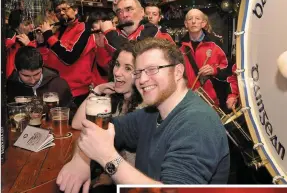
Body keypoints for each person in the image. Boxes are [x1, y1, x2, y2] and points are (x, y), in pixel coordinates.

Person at [57, 38, 230, 190]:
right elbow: (95, 132)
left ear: (177, 72)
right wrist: (81, 161)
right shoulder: (151, 112)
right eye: (138, 72)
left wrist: (108, 158)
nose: (142, 80)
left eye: (152, 69)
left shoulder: (197, 123)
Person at [72, 42, 143, 192]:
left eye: (128, 68)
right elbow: (78, 123)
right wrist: (97, 90)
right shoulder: (116, 100)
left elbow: (137, 164)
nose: (117, 73)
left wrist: (110, 177)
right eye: (117, 65)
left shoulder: (144, 110)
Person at [36, 0, 97, 107]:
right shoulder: (56, 31)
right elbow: (45, 62)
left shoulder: (84, 28)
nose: (61, 13)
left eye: (65, 9)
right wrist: (41, 43)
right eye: (58, 11)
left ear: (75, 10)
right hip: (54, 91)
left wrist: (49, 36)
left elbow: (69, 57)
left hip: (76, 93)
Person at [179, 8, 235, 108]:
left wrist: (214, 70)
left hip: (213, 101)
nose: (193, 21)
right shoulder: (180, 47)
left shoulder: (215, 44)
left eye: (197, 18)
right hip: (189, 101)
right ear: (186, 24)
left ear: (204, 23)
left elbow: (229, 70)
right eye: (190, 19)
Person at [6, 46, 73, 106]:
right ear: (15, 68)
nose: (32, 81)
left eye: (36, 74)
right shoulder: (9, 86)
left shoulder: (59, 85)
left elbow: (71, 113)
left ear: (42, 65)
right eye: (26, 76)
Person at [5, 9, 36, 78]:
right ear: (16, 27)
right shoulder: (11, 41)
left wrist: (29, 45)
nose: (32, 26)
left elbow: (38, 62)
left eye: (32, 22)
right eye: (27, 24)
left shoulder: (34, 39)